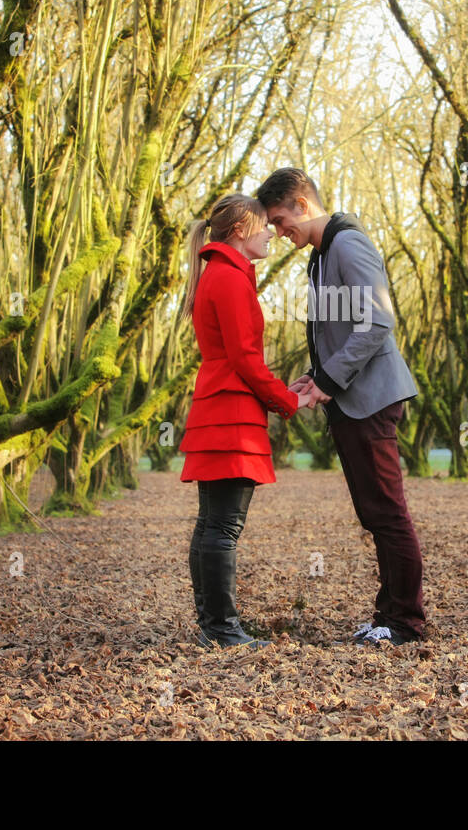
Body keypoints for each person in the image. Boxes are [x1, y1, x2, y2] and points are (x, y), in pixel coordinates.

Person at [256, 167, 426, 646]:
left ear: (303, 204)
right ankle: (387, 615)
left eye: (280, 219)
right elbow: (342, 328)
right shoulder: (323, 252)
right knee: (375, 514)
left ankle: (406, 623)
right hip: (352, 398)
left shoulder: (347, 244)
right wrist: (317, 375)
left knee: (388, 514)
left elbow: (377, 322)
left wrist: (330, 378)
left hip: (370, 398)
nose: (278, 231)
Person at [180, 193, 318, 649]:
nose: (272, 235)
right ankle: (222, 630)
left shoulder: (217, 274)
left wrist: (281, 393)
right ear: (240, 230)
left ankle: (212, 626)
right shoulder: (230, 279)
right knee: (222, 526)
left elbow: (239, 356)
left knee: (210, 523)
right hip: (231, 414)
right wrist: (287, 401)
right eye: (265, 227)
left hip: (219, 409)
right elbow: (244, 357)